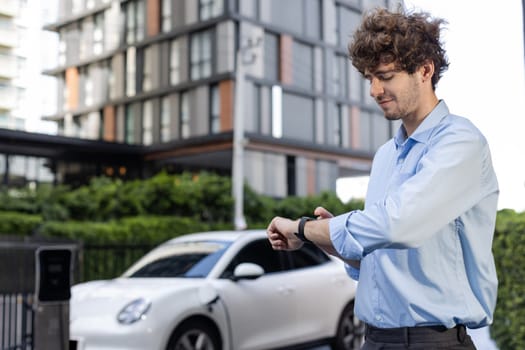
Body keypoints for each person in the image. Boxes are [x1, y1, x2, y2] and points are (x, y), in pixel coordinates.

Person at [266, 7, 499, 350]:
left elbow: (395, 225)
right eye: (369, 78)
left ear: (425, 70)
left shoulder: (460, 142)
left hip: (432, 344)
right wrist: (324, 238)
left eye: (386, 76)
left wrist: (304, 228)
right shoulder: (385, 156)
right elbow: (377, 259)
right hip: (373, 340)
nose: (374, 90)